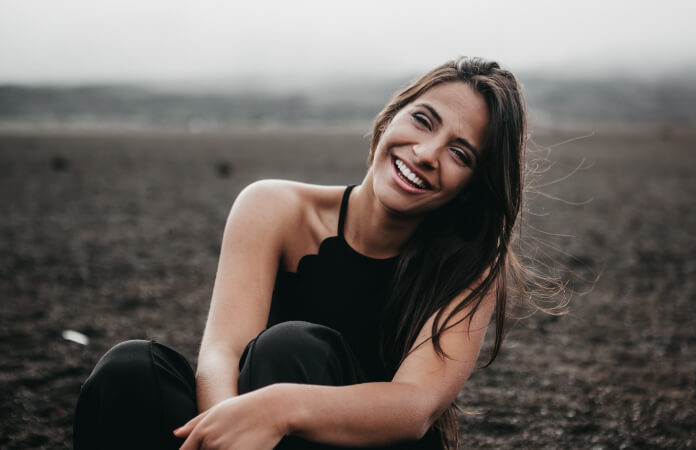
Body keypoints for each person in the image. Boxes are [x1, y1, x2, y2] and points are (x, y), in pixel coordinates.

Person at [74, 56, 531, 450]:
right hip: (262, 436)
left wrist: (280, 408)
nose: (427, 152)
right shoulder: (272, 207)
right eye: (423, 120)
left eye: (461, 154)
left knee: (289, 349)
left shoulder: (472, 263)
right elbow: (222, 352)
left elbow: (416, 406)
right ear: (391, 116)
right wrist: (236, 428)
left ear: (472, 189)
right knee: (131, 371)